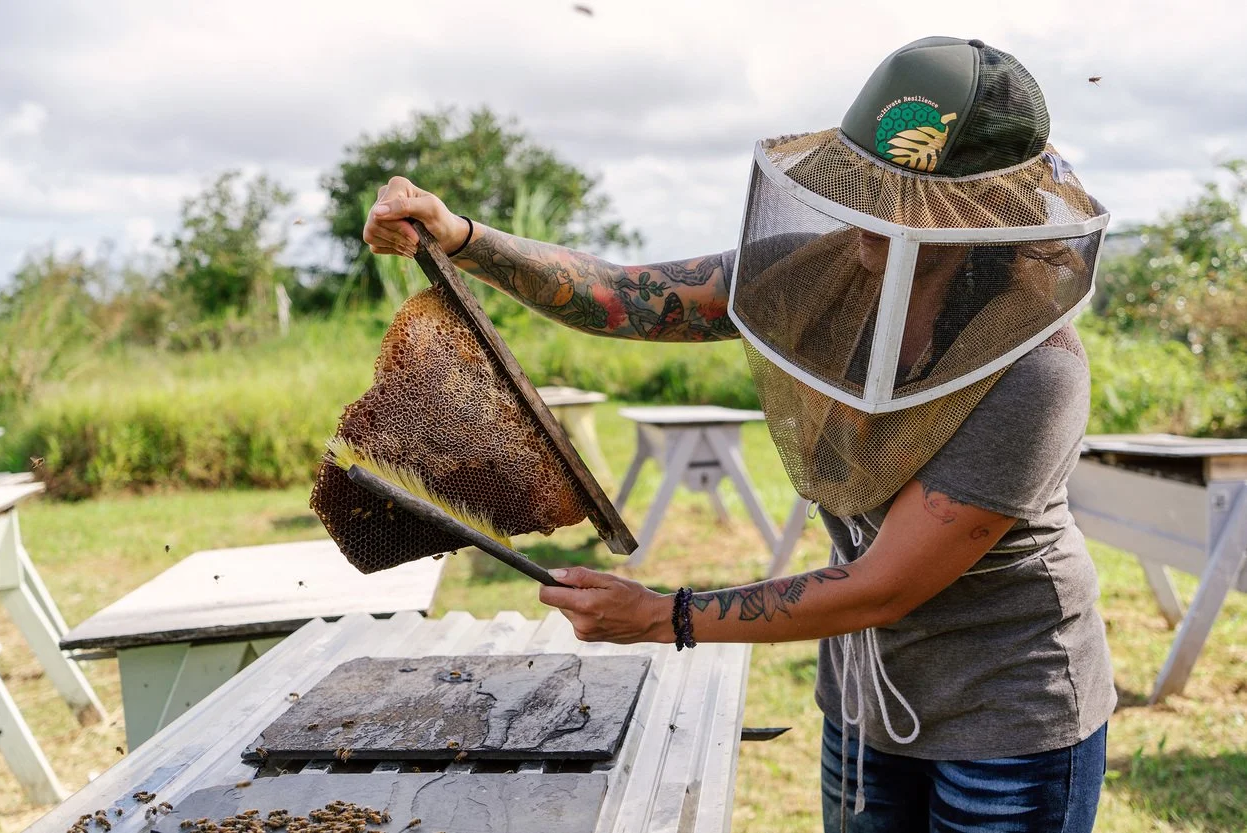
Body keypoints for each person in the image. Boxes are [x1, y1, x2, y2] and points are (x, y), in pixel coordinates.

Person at [363, 36, 1115, 833]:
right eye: (865, 179)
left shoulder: (1037, 372)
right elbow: (624, 296)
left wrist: (664, 614)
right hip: (866, 703)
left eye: (907, 197)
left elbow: (885, 582)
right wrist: (466, 238)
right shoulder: (816, 276)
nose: (870, 208)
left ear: (983, 213)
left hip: (1009, 723)